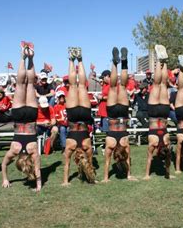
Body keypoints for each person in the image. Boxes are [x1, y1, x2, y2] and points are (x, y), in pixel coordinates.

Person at [1, 42, 42, 191]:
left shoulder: (33, 152)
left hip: (30, 116)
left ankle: (30, 58)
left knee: (29, 84)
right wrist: (4, 178)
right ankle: (23, 57)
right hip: (20, 116)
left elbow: (37, 171)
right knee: (21, 84)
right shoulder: (14, 150)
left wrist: (39, 186)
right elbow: (4, 164)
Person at [62, 47, 96, 185]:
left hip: (83, 116)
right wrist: (65, 181)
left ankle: (79, 60)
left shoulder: (87, 148)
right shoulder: (70, 147)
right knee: (74, 86)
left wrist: (66, 182)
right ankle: (72, 59)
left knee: (80, 86)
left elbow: (90, 163)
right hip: (74, 118)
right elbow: (67, 165)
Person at [103, 47, 137, 182]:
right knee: (121, 86)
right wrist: (129, 176)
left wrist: (105, 178)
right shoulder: (123, 143)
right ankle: (120, 62)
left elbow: (107, 161)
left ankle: (118, 62)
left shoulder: (113, 143)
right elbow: (128, 158)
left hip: (116, 118)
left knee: (116, 86)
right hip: (119, 119)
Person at [144, 44, 172, 180]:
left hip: (164, 112)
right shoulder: (153, 144)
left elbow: (167, 160)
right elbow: (149, 159)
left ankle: (164, 61)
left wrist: (167, 172)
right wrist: (146, 175)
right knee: (158, 84)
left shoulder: (167, 143)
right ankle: (159, 60)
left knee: (162, 84)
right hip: (154, 113)